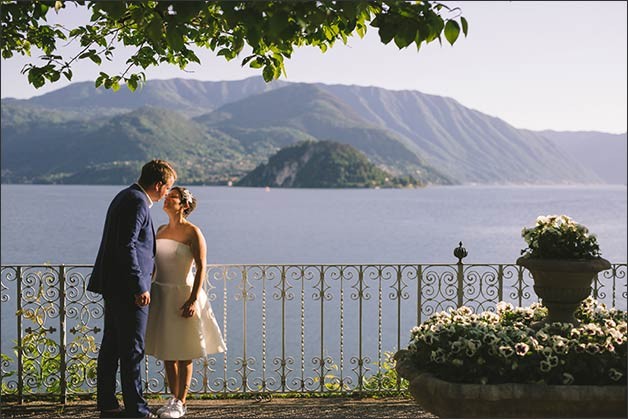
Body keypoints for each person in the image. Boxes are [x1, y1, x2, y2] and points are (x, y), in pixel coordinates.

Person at [88, 160, 177, 418]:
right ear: (158, 184)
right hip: (128, 290)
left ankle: (107, 403)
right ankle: (136, 409)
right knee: (132, 350)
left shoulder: (125, 196)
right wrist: (140, 285)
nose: (166, 194)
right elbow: (126, 247)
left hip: (116, 286)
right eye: (167, 187)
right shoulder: (137, 201)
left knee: (112, 346)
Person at [145, 187, 226, 419]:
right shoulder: (160, 230)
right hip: (161, 293)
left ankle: (181, 401)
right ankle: (173, 398)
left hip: (184, 294)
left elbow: (201, 267)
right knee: (167, 351)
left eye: (172, 197)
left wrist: (192, 300)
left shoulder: (193, 232)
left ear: (184, 205)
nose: (167, 199)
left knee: (184, 351)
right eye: (167, 196)